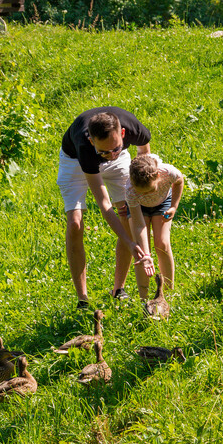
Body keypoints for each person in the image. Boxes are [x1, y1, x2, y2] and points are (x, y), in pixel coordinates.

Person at [58, 107, 155, 309]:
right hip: (75, 161)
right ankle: (83, 299)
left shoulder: (134, 129)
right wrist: (129, 243)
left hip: (117, 160)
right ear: (93, 141)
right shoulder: (85, 147)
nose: (110, 155)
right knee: (75, 224)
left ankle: (118, 289)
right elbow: (104, 203)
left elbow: (144, 154)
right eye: (105, 151)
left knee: (127, 214)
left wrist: (136, 187)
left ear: (122, 134)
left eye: (115, 148)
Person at [126, 154, 184, 299]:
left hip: (163, 202)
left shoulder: (168, 172)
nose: (146, 194)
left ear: (158, 175)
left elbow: (179, 181)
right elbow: (139, 225)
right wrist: (146, 255)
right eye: (142, 192)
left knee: (162, 243)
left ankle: (168, 292)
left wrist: (174, 207)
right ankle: (143, 297)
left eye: (150, 190)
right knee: (141, 251)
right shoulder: (130, 191)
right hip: (140, 208)